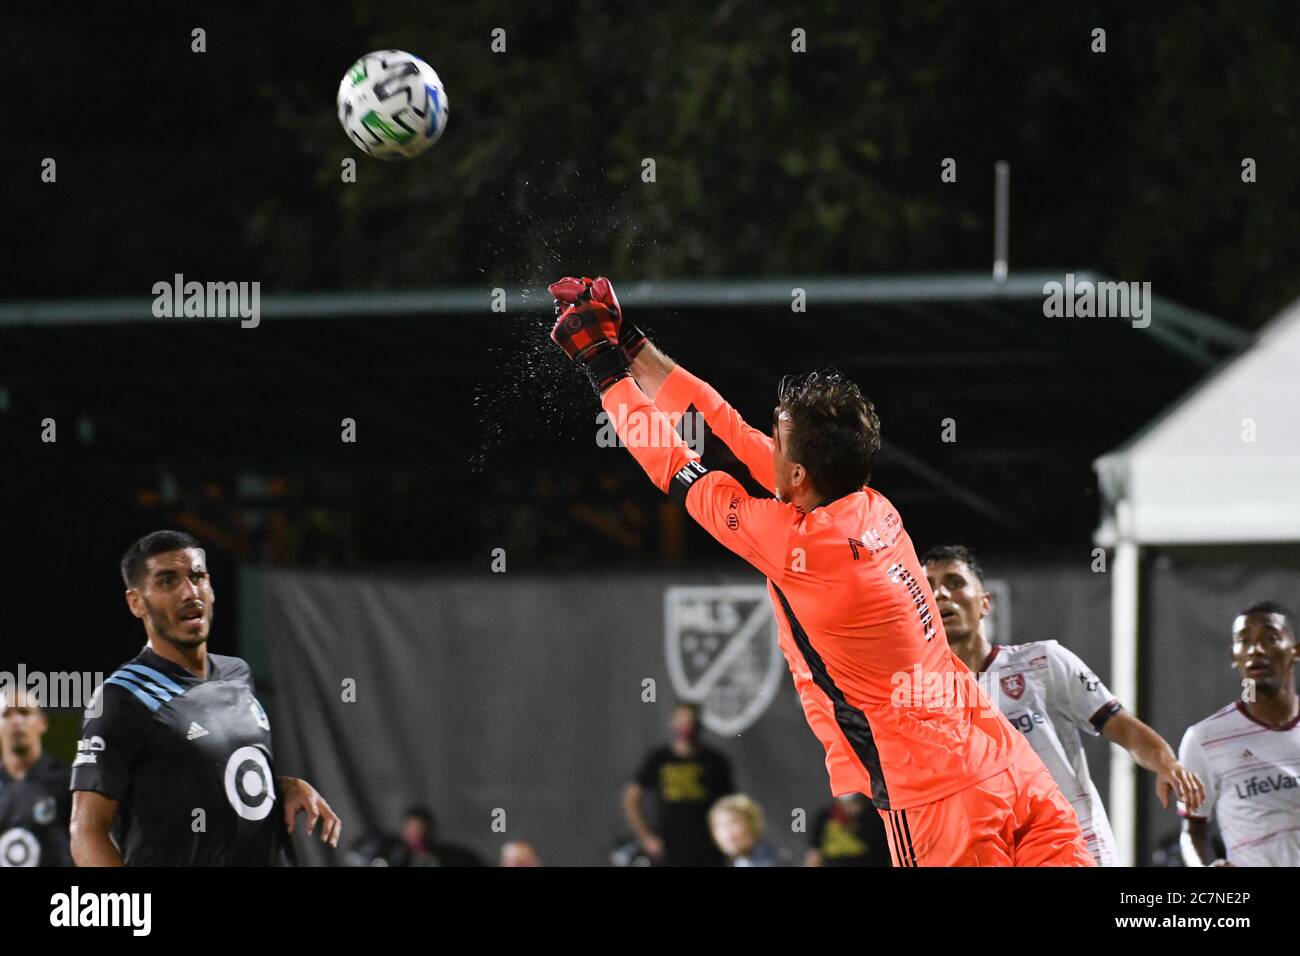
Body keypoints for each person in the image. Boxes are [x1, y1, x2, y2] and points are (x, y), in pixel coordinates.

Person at [549, 275, 1091, 866]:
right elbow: (725, 425)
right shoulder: (871, 505)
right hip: (1008, 766)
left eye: (778, 442)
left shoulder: (792, 545)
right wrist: (629, 342)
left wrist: (602, 368)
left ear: (800, 476)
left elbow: (673, 461)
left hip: (936, 796)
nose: (767, 444)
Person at [69, 530, 341, 865]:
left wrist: (281, 785)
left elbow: (205, 773)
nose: (189, 592)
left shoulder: (236, 674)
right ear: (136, 602)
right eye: (167, 581)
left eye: (197, 577)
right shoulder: (122, 697)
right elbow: (86, 831)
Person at [923, 544, 1204, 866]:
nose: (940, 594)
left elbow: (1122, 726)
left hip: (1074, 846)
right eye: (928, 587)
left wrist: (1167, 763)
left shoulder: (1042, 662)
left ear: (985, 602)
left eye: (954, 583)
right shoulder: (922, 695)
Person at [1178, 601, 1300, 866]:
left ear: (1295, 650)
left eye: (1270, 638)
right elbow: (1192, 832)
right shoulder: (1204, 739)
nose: (1255, 650)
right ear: (1235, 657)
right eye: (1244, 641)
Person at [624, 701, 735, 866]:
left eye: (691, 722)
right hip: (669, 849)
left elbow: (729, 805)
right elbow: (631, 797)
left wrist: (729, 841)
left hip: (708, 850)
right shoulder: (659, 759)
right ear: (673, 722)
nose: (687, 727)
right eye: (682, 721)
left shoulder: (715, 761)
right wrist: (646, 836)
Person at [0, 689, 73, 866]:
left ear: (43, 723)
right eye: (6, 714)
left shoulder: (69, 782)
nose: (16, 721)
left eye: (24, 712)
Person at [805, 793, 891, 867]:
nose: (849, 808)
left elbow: (885, 853)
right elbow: (814, 855)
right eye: (846, 804)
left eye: (854, 802)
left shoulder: (873, 817)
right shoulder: (825, 817)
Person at [709, 794, 788, 866]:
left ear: (752, 824)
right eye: (720, 826)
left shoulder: (775, 860)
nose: (727, 834)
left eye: (733, 823)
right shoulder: (738, 863)